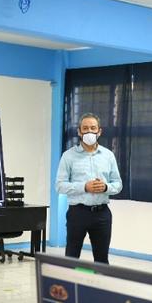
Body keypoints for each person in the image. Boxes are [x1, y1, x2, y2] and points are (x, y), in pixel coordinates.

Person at [56, 113, 122, 264]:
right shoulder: (68, 156)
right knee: (72, 257)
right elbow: (59, 186)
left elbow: (118, 184)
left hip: (102, 214)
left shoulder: (108, 155)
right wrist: (84, 187)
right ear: (79, 131)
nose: (89, 132)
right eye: (85, 128)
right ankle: (70, 287)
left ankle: (99, 287)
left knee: (102, 260)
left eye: (93, 128)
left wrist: (106, 187)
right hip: (78, 213)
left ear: (99, 131)